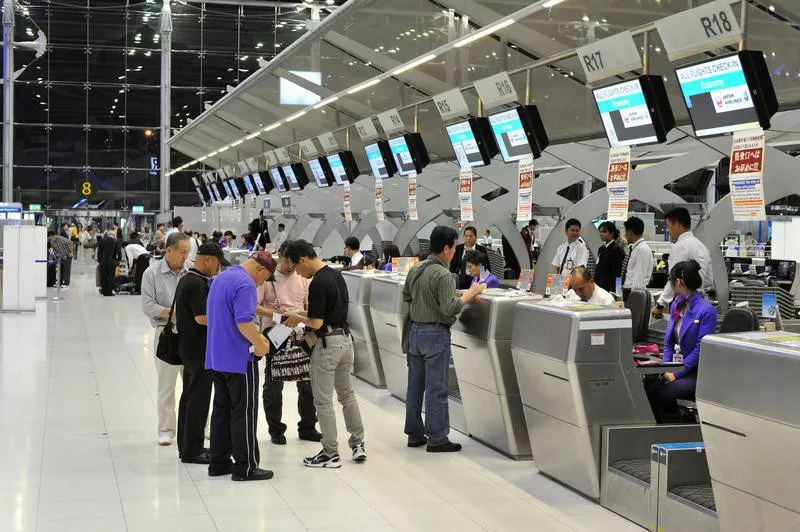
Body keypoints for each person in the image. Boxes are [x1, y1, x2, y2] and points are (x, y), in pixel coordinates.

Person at [282, 240, 366, 468]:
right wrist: (301, 311)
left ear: (303, 260)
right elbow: (329, 310)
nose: (298, 273)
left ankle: (330, 452)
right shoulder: (336, 275)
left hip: (326, 345)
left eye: (297, 268)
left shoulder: (317, 283)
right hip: (345, 340)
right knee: (347, 395)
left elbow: (317, 321)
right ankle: (358, 444)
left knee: (323, 400)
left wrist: (297, 318)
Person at [404, 226, 483, 453]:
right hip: (435, 334)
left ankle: (415, 434)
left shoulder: (416, 269)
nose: (455, 253)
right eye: (454, 248)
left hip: (415, 332)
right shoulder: (444, 275)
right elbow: (449, 310)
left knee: (415, 386)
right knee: (436, 388)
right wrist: (469, 294)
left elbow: (408, 297)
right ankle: (437, 438)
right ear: (446, 248)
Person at [206, 251, 275, 481]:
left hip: (216, 357)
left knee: (221, 412)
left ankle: (219, 462)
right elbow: (244, 322)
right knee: (244, 413)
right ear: (259, 269)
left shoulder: (221, 278)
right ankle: (245, 467)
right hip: (239, 360)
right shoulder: (246, 283)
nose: (262, 283)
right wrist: (261, 343)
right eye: (264, 278)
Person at [257, 241, 322, 446]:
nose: (290, 266)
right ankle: (276, 430)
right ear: (280, 257)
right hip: (276, 334)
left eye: (293, 263)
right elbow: (255, 306)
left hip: (301, 333)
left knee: (308, 384)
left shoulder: (303, 278)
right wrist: (278, 315)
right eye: (287, 261)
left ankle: (308, 426)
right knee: (274, 384)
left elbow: (307, 306)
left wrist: (303, 320)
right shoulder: (267, 278)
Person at [175, 243, 230, 464]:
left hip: (188, 346)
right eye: (218, 263)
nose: (218, 269)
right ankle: (192, 450)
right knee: (198, 399)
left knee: (189, 396)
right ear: (208, 259)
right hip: (199, 349)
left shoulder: (186, 279)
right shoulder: (197, 284)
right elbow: (202, 318)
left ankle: (187, 445)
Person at [646, 260, 717, 423]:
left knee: (663, 393)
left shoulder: (706, 311)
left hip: (694, 372)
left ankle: (669, 430)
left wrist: (676, 373)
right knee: (648, 388)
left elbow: (700, 350)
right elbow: (669, 341)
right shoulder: (676, 304)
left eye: (671, 282)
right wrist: (666, 367)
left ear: (679, 282)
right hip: (674, 367)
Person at [141, 232, 191, 446]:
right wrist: (177, 312)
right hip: (167, 335)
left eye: (188, 252)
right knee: (166, 386)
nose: (185, 256)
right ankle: (166, 429)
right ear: (168, 250)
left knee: (193, 384)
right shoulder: (151, 274)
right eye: (182, 252)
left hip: (192, 335)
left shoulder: (191, 272)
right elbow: (148, 306)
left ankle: (197, 427)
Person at [651, 208, 713, 319]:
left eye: (668, 226)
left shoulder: (680, 247)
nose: (668, 231)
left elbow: (673, 280)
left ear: (677, 225)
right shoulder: (702, 247)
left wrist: (660, 305)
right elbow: (709, 280)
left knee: (679, 334)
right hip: (700, 302)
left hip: (683, 303)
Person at [622, 217, 654, 300]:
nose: (625, 235)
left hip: (633, 292)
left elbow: (640, 276)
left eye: (625, 231)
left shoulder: (642, 249)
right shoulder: (636, 248)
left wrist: (634, 297)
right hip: (629, 291)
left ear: (630, 232)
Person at [596, 221, 625, 293]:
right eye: (600, 232)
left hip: (610, 288)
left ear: (612, 233)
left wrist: (617, 291)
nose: (601, 234)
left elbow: (618, 272)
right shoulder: (601, 249)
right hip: (599, 286)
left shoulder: (617, 249)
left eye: (604, 232)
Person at [97, 230, 121, 296]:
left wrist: (99, 260)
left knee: (103, 276)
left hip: (103, 262)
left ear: (107, 234)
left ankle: (104, 291)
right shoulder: (115, 241)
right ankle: (109, 292)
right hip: (112, 262)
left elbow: (99, 252)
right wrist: (119, 260)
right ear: (113, 235)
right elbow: (119, 252)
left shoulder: (102, 241)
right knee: (111, 276)